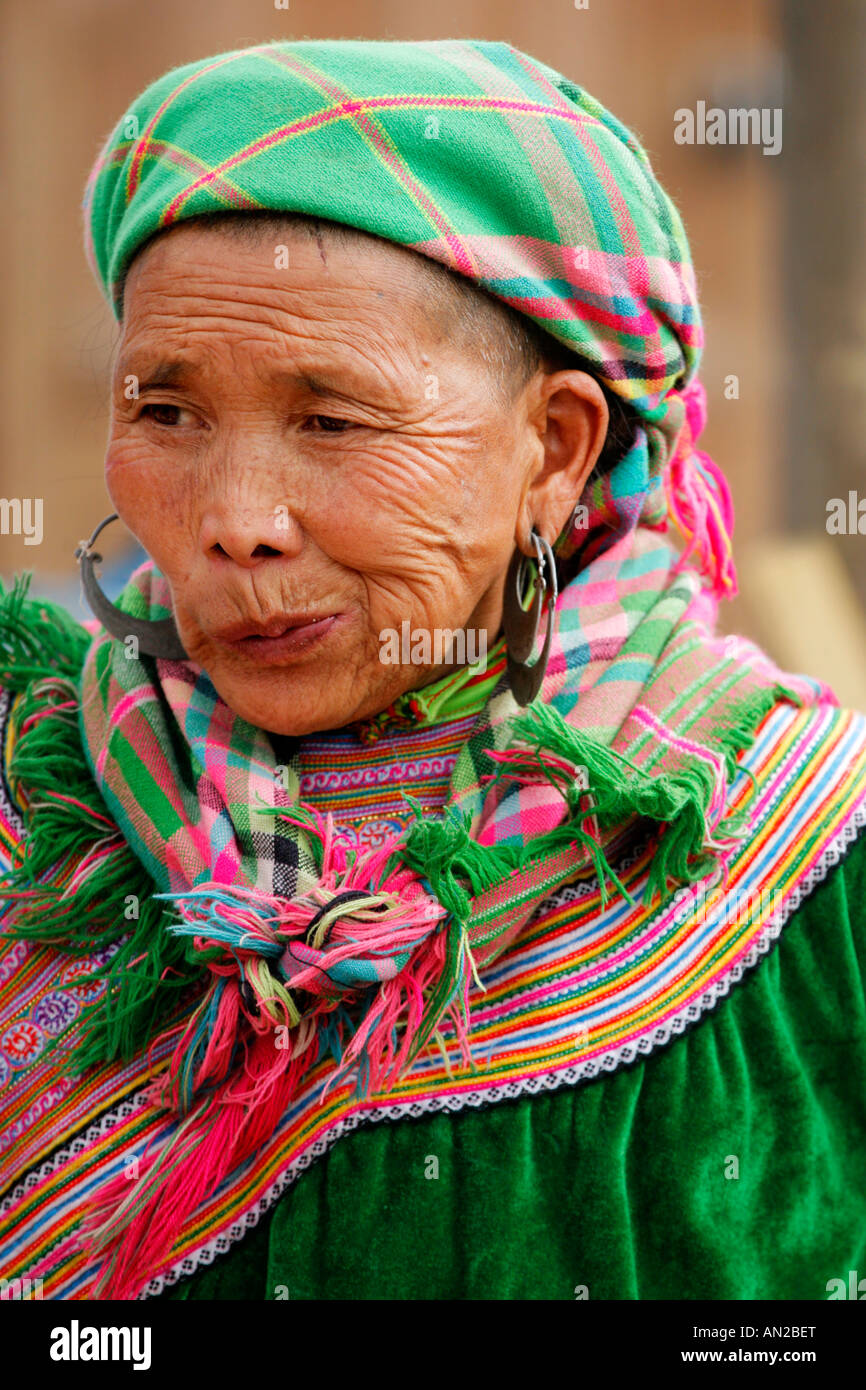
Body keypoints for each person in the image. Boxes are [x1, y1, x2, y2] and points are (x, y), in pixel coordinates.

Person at [1, 37, 864, 1302]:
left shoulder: (809, 859)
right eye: (166, 410)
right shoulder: (38, 810)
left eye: (332, 420)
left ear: (556, 448)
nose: (233, 518)